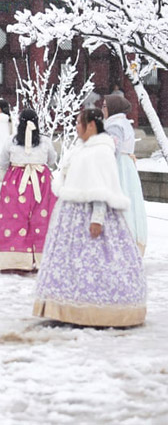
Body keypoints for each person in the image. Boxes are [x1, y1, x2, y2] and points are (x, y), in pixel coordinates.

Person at [34, 109, 146, 327]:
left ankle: (98, 309)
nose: (76, 127)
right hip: (73, 214)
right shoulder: (83, 149)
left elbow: (100, 187)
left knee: (97, 261)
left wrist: (97, 218)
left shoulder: (101, 151)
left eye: (79, 123)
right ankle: (67, 305)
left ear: (91, 125)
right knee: (73, 261)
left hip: (90, 215)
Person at [0, 109, 57, 271]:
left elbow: (4, 161)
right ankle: (41, 257)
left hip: (16, 182)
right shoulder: (45, 141)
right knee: (41, 219)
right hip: (41, 182)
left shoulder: (11, 140)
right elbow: (52, 160)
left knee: (14, 219)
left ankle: (12, 259)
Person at [103, 95, 148, 255]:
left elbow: (113, 148)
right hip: (126, 165)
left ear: (112, 108)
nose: (103, 109)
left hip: (119, 166)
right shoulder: (123, 122)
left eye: (105, 106)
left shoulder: (114, 125)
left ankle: (120, 244)